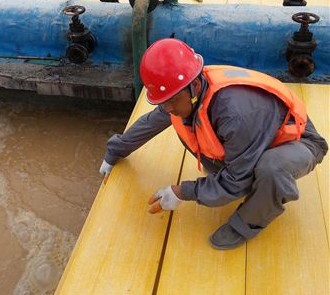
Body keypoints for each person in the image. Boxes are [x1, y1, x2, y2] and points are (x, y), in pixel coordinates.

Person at [99, 38, 328, 250]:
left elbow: (235, 184)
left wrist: (182, 192)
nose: (167, 108)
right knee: (184, 124)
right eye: (163, 102)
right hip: (253, 134)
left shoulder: (234, 115)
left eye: (171, 101)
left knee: (270, 169)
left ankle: (248, 223)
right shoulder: (184, 92)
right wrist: (115, 151)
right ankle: (238, 170)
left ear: (195, 87)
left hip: (298, 142)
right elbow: (150, 122)